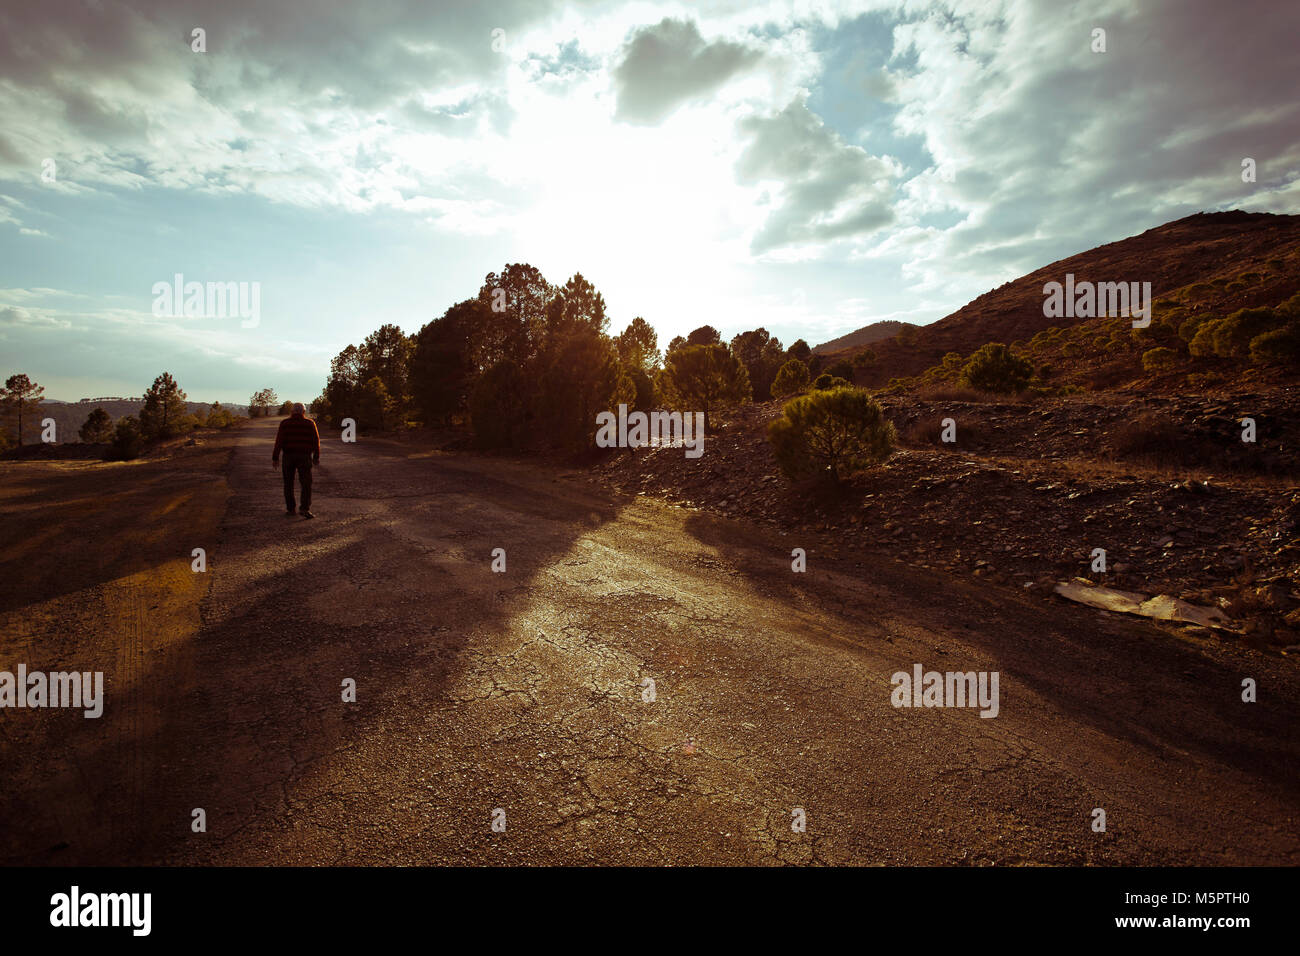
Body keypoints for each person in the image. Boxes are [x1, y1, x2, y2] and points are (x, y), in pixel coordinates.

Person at [272, 402, 320, 518]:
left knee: (288, 484)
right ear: (304, 412)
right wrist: (316, 456)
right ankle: (304, 508)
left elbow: (279, 441)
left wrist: (275, 458)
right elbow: (316, 441)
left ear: (292, 412)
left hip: (288, 456)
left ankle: (291, 509)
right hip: (304, 456)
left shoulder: (285, 423)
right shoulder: (309, 423)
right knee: (306, 484)